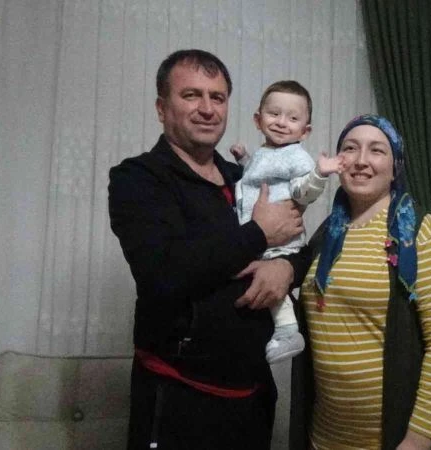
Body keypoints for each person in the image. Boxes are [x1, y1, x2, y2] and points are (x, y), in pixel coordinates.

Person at [108, 49, 305, 449]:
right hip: (179, 396)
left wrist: (287, 268)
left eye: (217, 97)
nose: (207, 109)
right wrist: (258, 234)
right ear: (162, 108)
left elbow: (295, 237)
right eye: (191, 95)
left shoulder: (244, 177)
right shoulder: (138, 178)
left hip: (252, 395)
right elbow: (163, 273)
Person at [289, 115, 431, 450]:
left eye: (376, 150)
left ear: (395, 168)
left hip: (393, 441)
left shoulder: (422, 233)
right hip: (324, 437)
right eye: (350, 148)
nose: (361, 160)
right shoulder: (328, 232)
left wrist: (417, 441)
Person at [229, 80, 344, 364]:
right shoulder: (266, 152)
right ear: (258, 120)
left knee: (272, 287)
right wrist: (244, 159)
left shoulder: (296, 157)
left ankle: (288, 331)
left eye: (293, 118)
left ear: (305, 131)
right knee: (251, 281)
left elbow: (303, 193)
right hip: (253, 233)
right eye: (274, 114)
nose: (282, 122)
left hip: (278, 239)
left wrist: (320, 174)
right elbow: (256, 176)